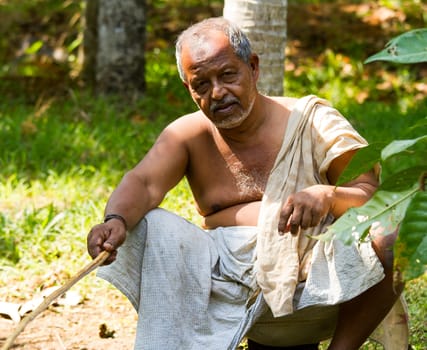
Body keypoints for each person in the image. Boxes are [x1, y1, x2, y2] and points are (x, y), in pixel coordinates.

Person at [87, 17, 403, 350]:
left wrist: (327, 196)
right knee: (147, 224)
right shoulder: (188, 135)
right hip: (229, 291)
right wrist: (115, 221)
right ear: (189, 90)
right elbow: (144, 182)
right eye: (202, 84)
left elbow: (372, 197)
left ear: (252, 67)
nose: (218, 93)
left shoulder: (312, 121)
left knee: (390, 231)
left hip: (318, 282)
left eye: (227, 75)